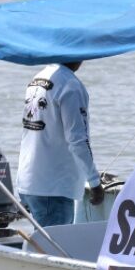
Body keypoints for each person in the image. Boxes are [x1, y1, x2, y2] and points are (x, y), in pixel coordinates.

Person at [17, 61, 104, 227]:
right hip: (53, 188)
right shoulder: (71, 85)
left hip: (29, 181)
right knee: (55, 249)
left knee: (42, 246)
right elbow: (78, 140)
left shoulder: (38, 78)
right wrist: (94, 182)